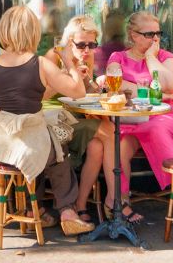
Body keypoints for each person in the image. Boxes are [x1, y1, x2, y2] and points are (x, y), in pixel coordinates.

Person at [0, 5, 94, 237]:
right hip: (28, 147)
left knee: (38, 144)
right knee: (57, 151)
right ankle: (67, 212)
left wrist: (6, 115)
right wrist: (68, 62)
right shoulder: (40, 64)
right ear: (33, 33)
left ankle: (33, 209)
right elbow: (78, 92)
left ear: (3, 32)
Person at [45, 16, 122, 224]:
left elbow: (87, 95)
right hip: (52, 121)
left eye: (92, 45)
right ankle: (114, 200)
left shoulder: (87, 58)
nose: (87, 50)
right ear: (69, 42)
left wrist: (94, 83)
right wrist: (65, 75)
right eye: (81, 45)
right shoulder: (54, 56)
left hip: (75, 118)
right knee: (109, 129)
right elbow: (40, 94)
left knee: (97, 146)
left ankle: (80, 205)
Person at [106, 12, 173, 199]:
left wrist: (150, 58)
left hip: (164, 116)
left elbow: (170, 85)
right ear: (134, 35)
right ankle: (121, 200)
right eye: (149, 34)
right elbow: (117, 85)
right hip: (132, 118)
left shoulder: (166, 57)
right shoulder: (118, 57)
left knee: (156, 129)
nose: (156, 39)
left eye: (158, 33)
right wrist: (160, 95)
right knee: (119, 147)